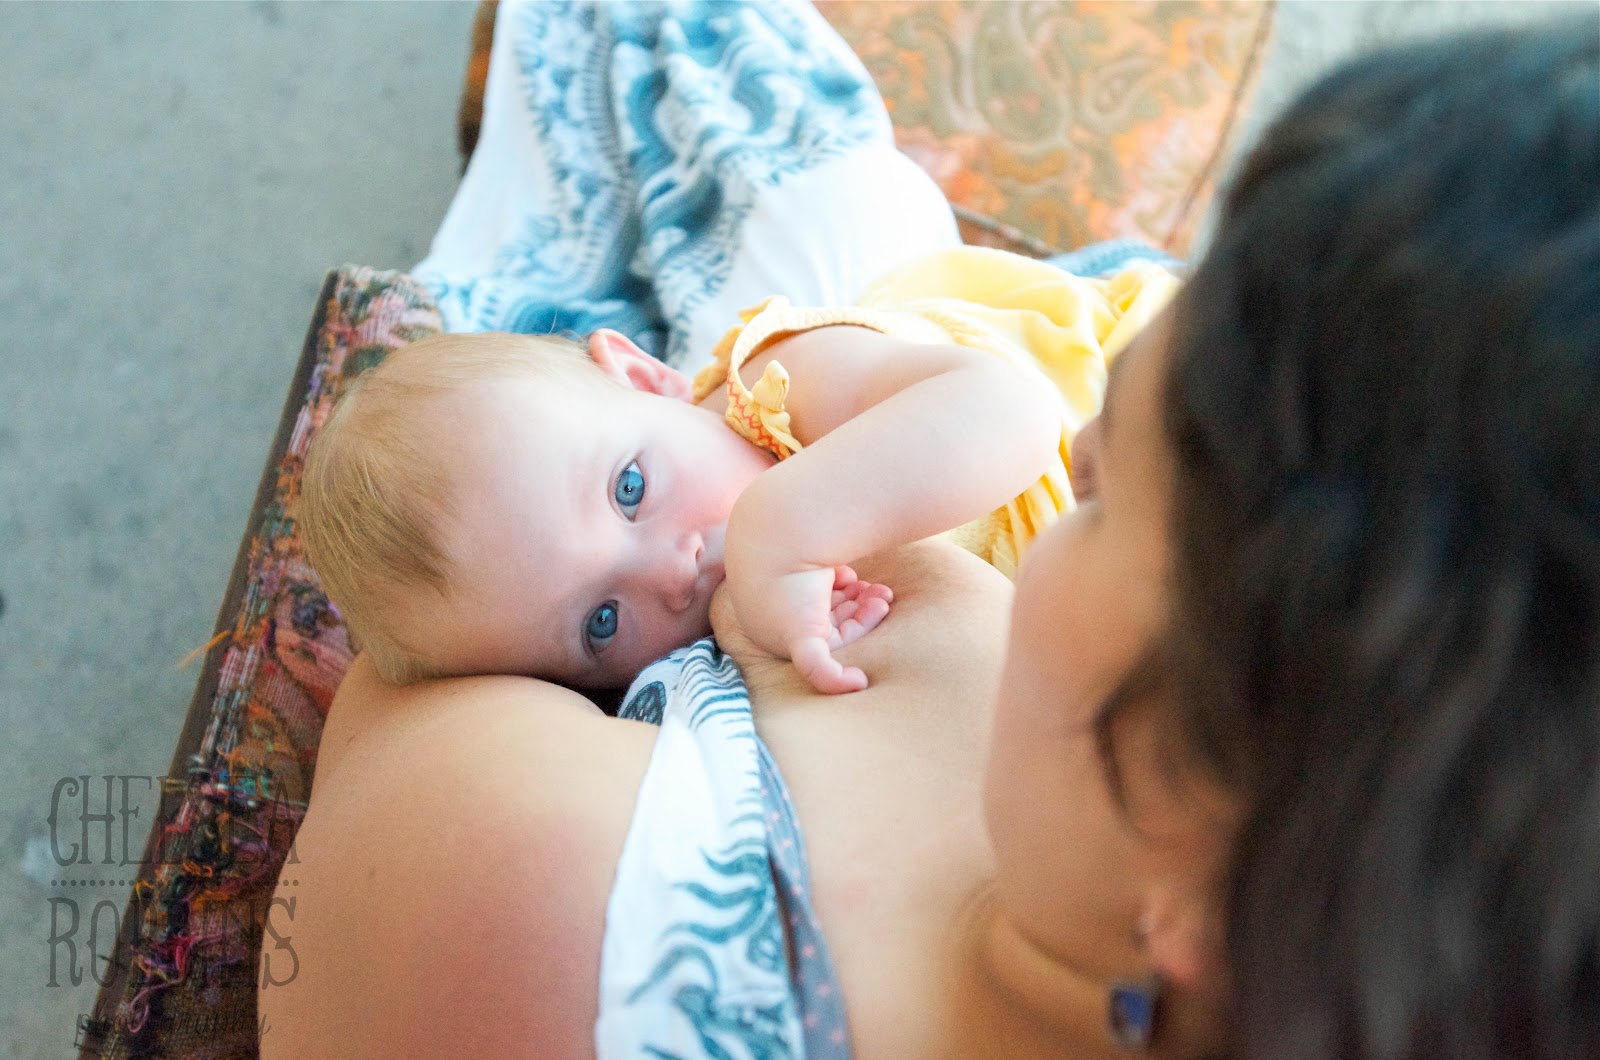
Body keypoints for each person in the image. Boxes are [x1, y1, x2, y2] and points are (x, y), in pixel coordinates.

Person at [261, 14, 1598, 1060]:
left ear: (1213, 898)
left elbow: (406, 668)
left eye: (1107, 499)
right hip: (936, 333)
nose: (1077, 452)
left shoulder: (540, 923)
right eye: (594, 620)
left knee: (854, 210)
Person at [300, 251, 1175, 697]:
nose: (671, 574)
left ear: (647, 378)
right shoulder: (721, 659)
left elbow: (1014, 416)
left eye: (630, 490)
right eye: (602, 621)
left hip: (1141, 386)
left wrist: (785, 531)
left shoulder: (782, 385)